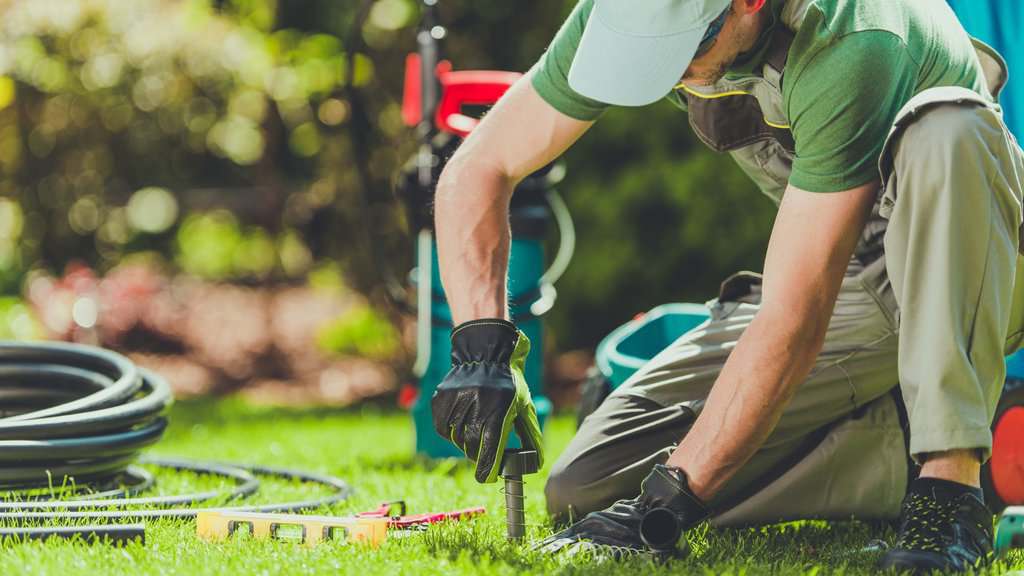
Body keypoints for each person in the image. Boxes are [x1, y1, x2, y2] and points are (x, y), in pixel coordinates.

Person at [428, 0, 1024, 571]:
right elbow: (480, 166)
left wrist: (667, 505)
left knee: (949, 126)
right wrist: (480, 344)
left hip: (968, 268)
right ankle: (942, 432)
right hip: (846, 283)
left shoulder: (852, 36)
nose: (667, 68)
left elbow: (794, 319)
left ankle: (950, 483)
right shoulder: (625, 12)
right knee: (586, 484)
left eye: (686, 43)